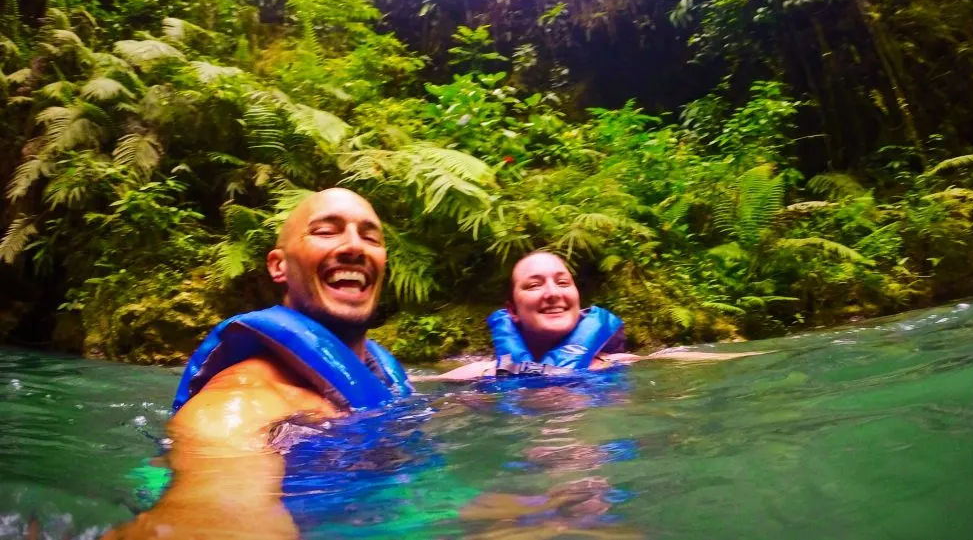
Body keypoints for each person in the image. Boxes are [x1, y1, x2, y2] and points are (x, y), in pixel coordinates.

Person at [105, 187, 411, 539]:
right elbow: (215, 509)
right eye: (326, 231)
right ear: (278, 266)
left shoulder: (382, 375)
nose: (355, 247)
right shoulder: (242, 401)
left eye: (370, 237)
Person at [431, 251, 760, 380]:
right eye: (533, 285)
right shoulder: (481, 374)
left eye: (563, 282)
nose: (553, 293)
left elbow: (683, 359)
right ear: (512, 312)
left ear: (577, 298)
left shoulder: (621, 363)